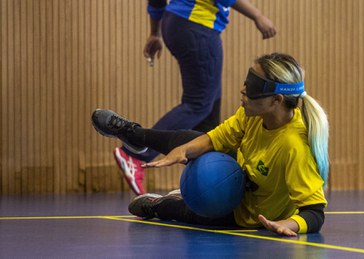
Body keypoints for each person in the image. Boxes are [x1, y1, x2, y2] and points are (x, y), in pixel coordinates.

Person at [92, 52, 329, 236]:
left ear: (276, 100)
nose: (243, 90)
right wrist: (182, 151)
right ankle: (134, 135)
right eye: (247, 81)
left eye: (253, 87)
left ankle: (158, 205)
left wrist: (286, 224)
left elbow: (315, 212)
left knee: (193, 214)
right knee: (191, 139)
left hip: (246, 214)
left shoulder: (295, 147)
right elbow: (214, 139)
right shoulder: (252, 114)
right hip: (237, 169)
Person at [111, 0, 277, 195]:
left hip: (177, 23)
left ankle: (200, 184)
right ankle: (136, 153)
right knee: (198, 104)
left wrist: (155, 31)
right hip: (198, 27)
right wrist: (257, 15)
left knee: (209, 112)